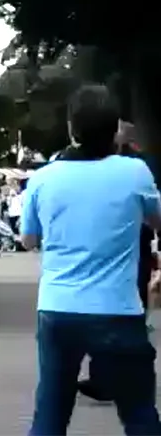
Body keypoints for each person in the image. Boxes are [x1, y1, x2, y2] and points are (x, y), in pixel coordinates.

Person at [21, 84, 161, 435]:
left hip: (57, 308)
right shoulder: (134, 173)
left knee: (50, 412)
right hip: (118, 310)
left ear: (71, 128)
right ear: (116, 130)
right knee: (140, 414)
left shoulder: (43, 178)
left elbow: (28, 240)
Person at [75, 119, 158, 403]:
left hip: (136, 247)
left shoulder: (141, 166)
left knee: (129, 311)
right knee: (106, 311)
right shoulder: (101, 164)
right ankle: (104, 376)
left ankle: (124, 375)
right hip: (107, 247)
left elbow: (154, 210)